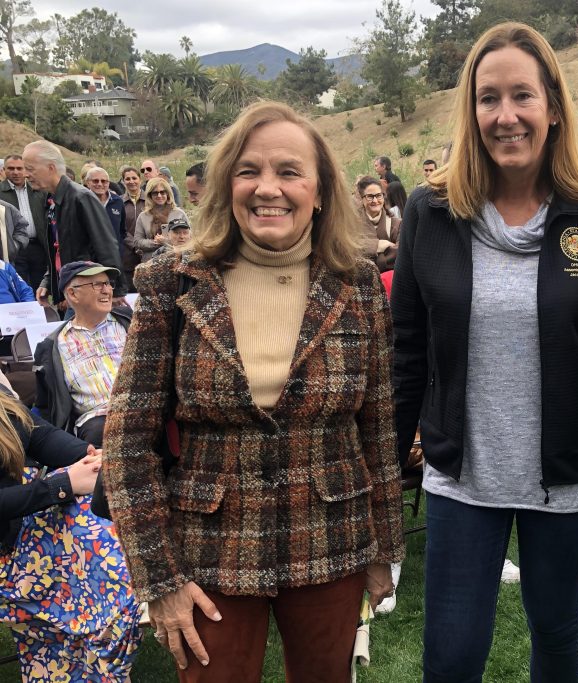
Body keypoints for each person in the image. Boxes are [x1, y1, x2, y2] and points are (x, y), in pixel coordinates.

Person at [102, 100, 405, 682]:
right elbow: (126, 443)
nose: (269, 188)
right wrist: (159, 580)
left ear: (319, 191)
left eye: (289, 171)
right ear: (226, 185)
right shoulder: (171, 282)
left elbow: (378, 427)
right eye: (250, 171)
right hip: (208, 550)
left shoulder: (358, 284)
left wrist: (383, 549)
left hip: (333, 540)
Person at [391, 22, 578, 682]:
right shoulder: (430, 210)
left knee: (556, 630)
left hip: (569, 471)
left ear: (553, 107)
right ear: (470, 113)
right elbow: (407, 350)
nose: (506, 116)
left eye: (522, 96)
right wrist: (388, 469)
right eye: (488, 98)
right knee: (451, 648)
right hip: (462, 471)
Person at [0, 387, 142, 681]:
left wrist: (93, 459)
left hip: (23, 525)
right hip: (7, 550)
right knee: (105, 558)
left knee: (96, 507)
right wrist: (61, 485)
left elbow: (39, 435)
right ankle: (110, 629)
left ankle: (100, 641)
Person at [33, 261, 131, 445]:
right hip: (97, 420)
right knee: (102, 430)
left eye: (108, 283)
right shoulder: (52, 346)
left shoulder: (130, 322)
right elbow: (46, 406)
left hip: (144, 409)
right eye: (97, 284)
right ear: (72, 293)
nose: (107, 290)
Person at [22, 141, 123, 309]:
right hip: (73, 289)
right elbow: (60, 250)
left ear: (51, 167)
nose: (26, 174)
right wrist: (49, 281)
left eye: (30, 169)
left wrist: (115, 289)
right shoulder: (52, 201)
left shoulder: (81, 198)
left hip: (90, 290)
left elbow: (106, 245)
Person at [0, 154, 48, 289]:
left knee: (41, 287)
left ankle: (41, 310)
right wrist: (14, 245)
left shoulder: (39, 190)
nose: (15, 172)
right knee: (20, 287)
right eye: (11, 168)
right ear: (4, 170)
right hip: (15, 249)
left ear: (26, 169)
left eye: (19, 168)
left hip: (38, 247)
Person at [133, 177, 189, 263]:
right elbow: (137, 241)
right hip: (149, 262)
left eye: (162, 192)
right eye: (155, 193)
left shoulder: (179, 213)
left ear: (168, 193)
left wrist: (166, 241)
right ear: (150, 195)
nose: (159, 196)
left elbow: (189, 238)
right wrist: (155, 243)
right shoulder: (143, 216)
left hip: (175, 261)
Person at [356, 176, 401, 272]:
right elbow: (348, 250)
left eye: (378, 195)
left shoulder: (397, 223)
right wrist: (377, 245)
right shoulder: (352, 224)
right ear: (361, 198)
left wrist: (366, 249)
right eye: (370, 197)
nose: (375, 201)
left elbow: (401, 252)